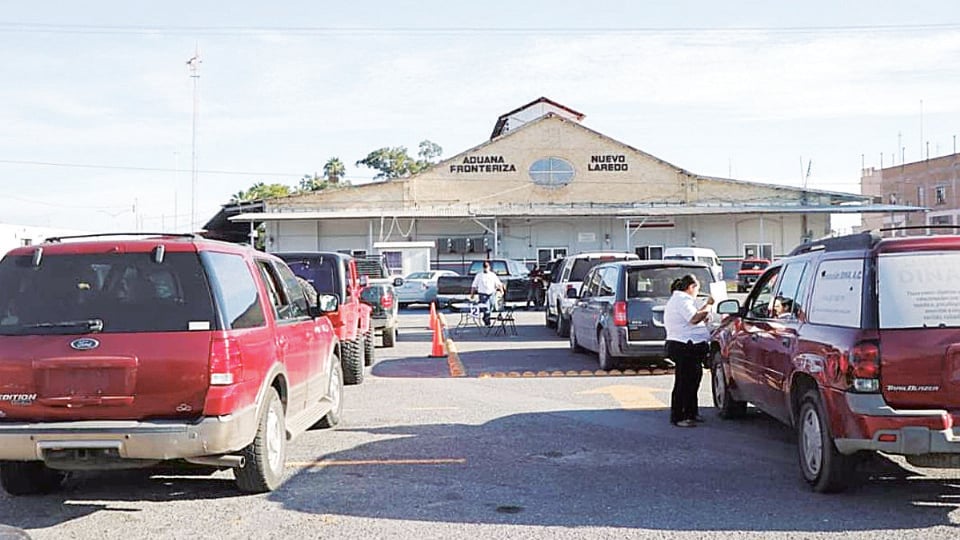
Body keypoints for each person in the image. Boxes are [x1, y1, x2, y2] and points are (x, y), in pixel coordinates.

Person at [663, 274, 714, 428]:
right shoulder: (681, 300)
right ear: (691, 287)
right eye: (697, 289)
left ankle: (691, 412)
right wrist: (709, 305)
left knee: (694, 378)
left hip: (689, 345)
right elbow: (693, 318)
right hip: (683, 346)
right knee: (684, 381)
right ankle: (678, 416)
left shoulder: (682, 300)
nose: (697, 293)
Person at [470, 260, 505, 326]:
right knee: (486, 308)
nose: (485, 268)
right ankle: (487, 321)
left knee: (491, 306)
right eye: (484, 267)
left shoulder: (492, 275)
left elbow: (498, 284)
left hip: (491, 293)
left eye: (487, 267)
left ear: (489, 267)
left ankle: (486, 317)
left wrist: (501, 291)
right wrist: (472, 294)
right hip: (482, 294)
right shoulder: (479, 275)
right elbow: (474, 285)